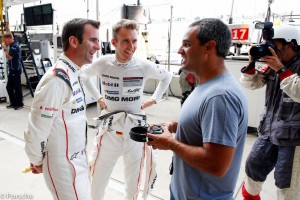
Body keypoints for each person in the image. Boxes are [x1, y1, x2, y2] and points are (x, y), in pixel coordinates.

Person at [147, 18, 248, 200]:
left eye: (186, 44)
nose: (179, 50)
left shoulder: (220, 96)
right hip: (183, 192)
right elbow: (203, 126)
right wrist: (173, 126)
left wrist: (170, 143)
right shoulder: (206, 86)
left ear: (209, 47)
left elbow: (216, 164)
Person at [81, 19, 172, 200]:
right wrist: (98, 97)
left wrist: (153, 100)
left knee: (133, 186)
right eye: (125, 41)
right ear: (114, 42)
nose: (131, 46)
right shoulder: (103, 63)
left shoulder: (143, 65)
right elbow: (84, 74)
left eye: (134, 41)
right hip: (109, 134)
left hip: (135, 135)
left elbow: (167, 77)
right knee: (97, 181)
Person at [24, 18, 101, 200]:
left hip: (77, 161)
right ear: (74, 41)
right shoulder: (57, 80)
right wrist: (36, 160)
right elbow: (36, 131)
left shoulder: (74, 73)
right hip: (64, 168)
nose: (98, 47)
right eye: (93, 40)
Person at [240, 24, 300, 200]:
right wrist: (251, 65)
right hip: (268, 130)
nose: (274, 52)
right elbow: (251, 84)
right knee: (253, 167)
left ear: (292, 45)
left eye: (277, 48)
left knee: (286, 181)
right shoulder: (274, 65)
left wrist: (281, 70)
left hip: (293, 138)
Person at [2, 22, 23, 110]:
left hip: (15, 70)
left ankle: (19, 104)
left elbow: (10, 57)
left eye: (6, 40)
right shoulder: (13, 42)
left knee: (17, 87)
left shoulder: (14, 46)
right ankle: (13, 103)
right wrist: (8, 27)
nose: (5, 42)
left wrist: (5, 49)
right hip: (12, 70)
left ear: (9, 39)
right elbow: (10, 35)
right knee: (9, 87)